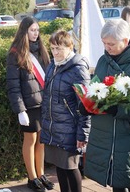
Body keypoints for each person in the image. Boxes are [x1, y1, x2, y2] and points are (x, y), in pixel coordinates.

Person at [84, 19, 130, 192]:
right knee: (115, 183)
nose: (107, 47)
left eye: (111, 44)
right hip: (105, 134)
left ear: (125, 41)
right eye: (104, 43)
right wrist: (87, 104)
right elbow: (95, 86)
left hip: (128, 134)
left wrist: (120, 110)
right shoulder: (104, 60)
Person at [6, 16, 54, 192]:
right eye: (32, 30)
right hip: (28, 106)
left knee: (41, 140)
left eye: (37, 30)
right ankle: (32, 177)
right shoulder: (15, 53)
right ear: (24, 31)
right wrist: (20, 110)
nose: (36, 34)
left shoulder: (41, 50)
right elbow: (13, 85)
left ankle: (40, 174)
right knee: (31, 139)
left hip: (43, 103)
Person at [40, 30, 91, 192]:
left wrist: (83, 133)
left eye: (59, 48)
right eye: (52, 48)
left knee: (70, 167)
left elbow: (86, 104)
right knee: (59, 167)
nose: (55, 52)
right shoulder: (52, 66)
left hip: (70, 129)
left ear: (69, 47)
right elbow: (47, 97)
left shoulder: (78, 69)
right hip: (54, 127)